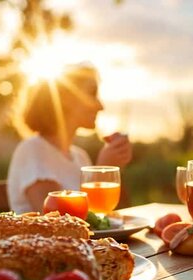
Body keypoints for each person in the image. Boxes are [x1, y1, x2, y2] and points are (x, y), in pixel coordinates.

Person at [7, 64, 132, 214]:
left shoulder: (80, 157)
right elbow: (54, 220)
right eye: (92, 93)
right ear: (66, 98)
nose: (101, 106)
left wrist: (107, 171)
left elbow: (100, 219)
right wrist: (101, 174)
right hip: (43, 238)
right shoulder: (32, 150)